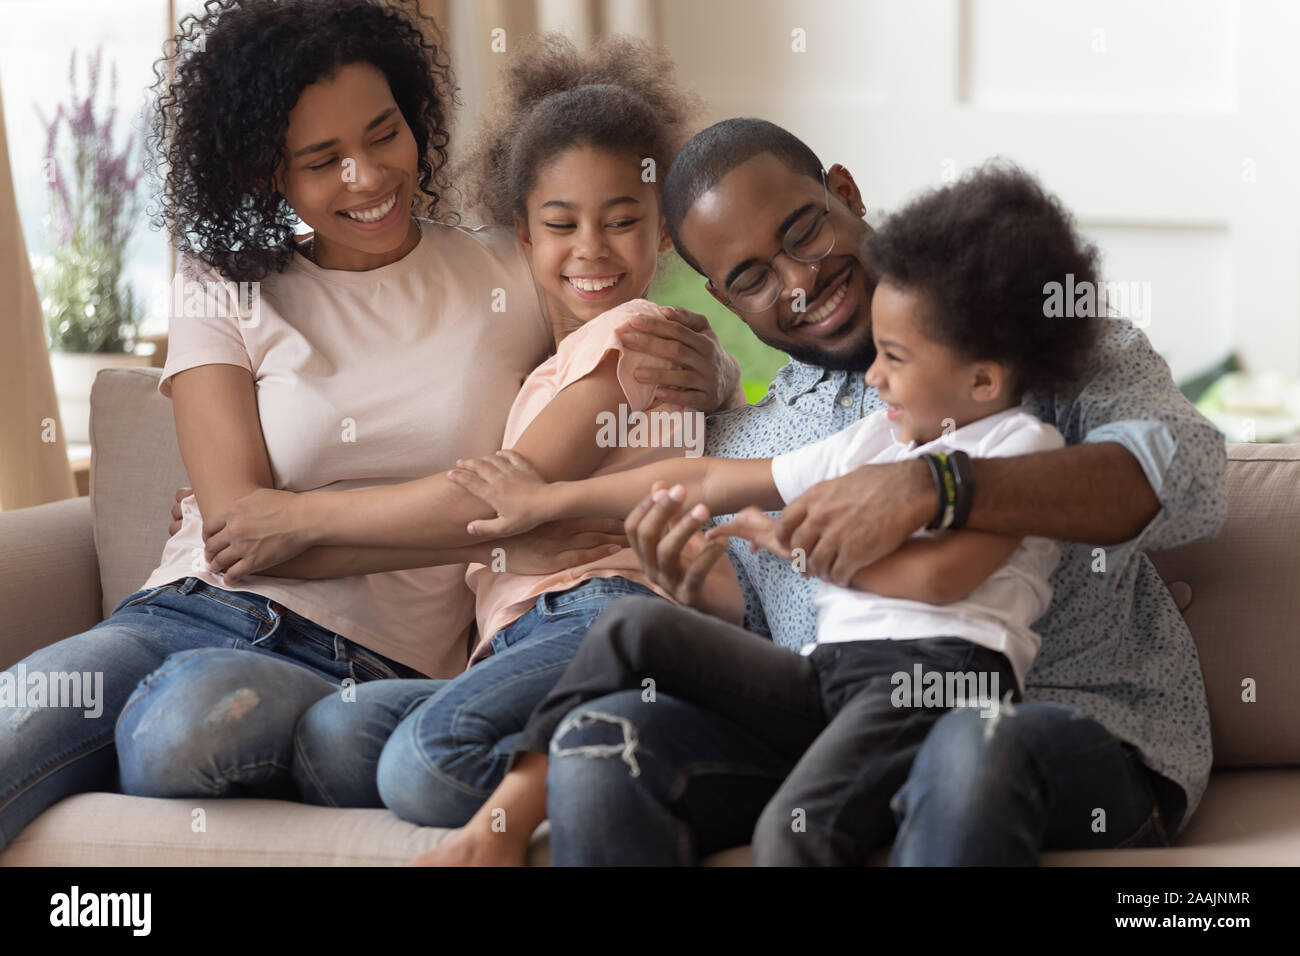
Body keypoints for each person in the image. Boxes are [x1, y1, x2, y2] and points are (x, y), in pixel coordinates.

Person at [0, 1, 735, 849]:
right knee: (23, 722)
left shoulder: (508, 263)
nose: (367, 176)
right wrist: (486, 540)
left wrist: (705, 370)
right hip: (193, 609)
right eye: (322, 160)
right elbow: (241, 533)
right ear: (265, 170)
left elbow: (613, 321)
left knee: (180, 735)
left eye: (383, 134)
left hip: (375, 663)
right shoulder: (220, 286)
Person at [491, 118, 1226, 865]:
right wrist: (696, 587)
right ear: (723, 298)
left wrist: (937, 485)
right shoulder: (755, 434)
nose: (800, 281)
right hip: (842, 736)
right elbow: (764, 611)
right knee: (604, 743)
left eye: (804, 231)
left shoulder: (1031, 341)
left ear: (843, 194)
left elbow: (1189, 475)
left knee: (970, 745)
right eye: (751, 277)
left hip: (1062, 727)